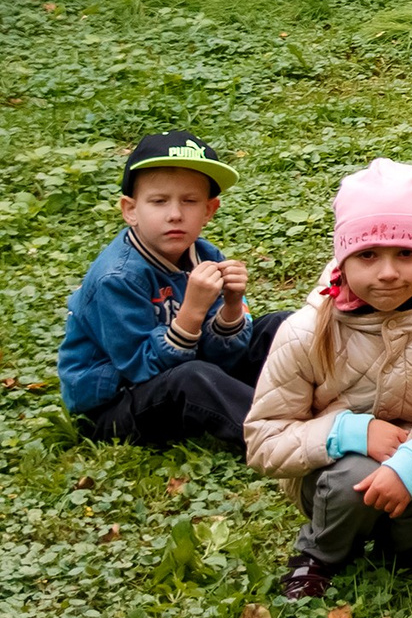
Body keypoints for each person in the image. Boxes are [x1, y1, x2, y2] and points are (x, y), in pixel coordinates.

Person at [245, 161, 412, 599]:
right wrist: (349, 432)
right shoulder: (306, 331)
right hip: (332, 472)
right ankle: (320, 553)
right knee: (354, 475)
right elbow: (264, 441)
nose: (387, 272)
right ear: (343, 260)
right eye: (368, 255)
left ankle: (408, 546)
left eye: (405, 254)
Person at [61, 132, 288, 454]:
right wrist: (192, 312)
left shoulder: (206, 255)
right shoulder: (116, 277)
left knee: (280, 325)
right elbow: (141, 369)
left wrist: (233, 306)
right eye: (158, 201)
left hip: (189, 371)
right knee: (193, 377)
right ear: (130, 210)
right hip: (116, 406)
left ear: (209, 210)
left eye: (190, 201)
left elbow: (224, 354)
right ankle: (279, 438)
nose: (175, 214)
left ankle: (336, 398)